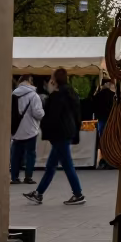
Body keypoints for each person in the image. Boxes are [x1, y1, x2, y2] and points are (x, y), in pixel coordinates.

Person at [24, 69, 85, 206]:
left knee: (66, 165)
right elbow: (76, 113)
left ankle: (78, 194)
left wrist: (46, 130)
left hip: (59, 134)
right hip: (67, 132)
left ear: (54, 80)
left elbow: (52, 117)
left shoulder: (57, 95)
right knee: (52, 165)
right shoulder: (71, 92)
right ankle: (39, 193)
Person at [10, 75, 44, 184]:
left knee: (16, 154)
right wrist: (43, 112)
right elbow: (38, 113)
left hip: (16, 129)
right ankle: (28, 177)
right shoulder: (34, 95)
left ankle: (14, 177)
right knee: (30, 154)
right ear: (29, 81)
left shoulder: (13, 94)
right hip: (30, 129)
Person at [92, 78, 116, 168]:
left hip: (101, 120)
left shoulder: (97, 95)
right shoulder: (113, 95)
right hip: (111, 120)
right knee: (111, 140)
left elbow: (93, 107)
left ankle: (104, 159)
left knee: (103, 139)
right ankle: (111, 160)